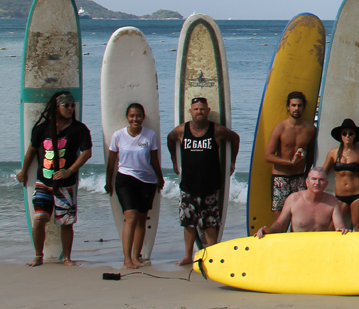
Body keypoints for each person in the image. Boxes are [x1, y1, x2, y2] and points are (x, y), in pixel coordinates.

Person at [16, 91, 92, 267]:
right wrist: (24, 171)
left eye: (72, 105)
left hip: (66, 184)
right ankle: (38, 256)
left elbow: (87, 153)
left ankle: (67, 258)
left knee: (66, 222)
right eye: (66, 105)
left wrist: (69, 171)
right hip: (43, 182)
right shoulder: (42, 128)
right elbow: (32, 151)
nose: (70, 108)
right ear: (56, 107)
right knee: (39, 220)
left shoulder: (79, 129)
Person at [167, 97, 240, 266]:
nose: (199, 112)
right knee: (189, 224)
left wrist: (232, 162)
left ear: (207, 111)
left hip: (209, 187)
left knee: (210, 224)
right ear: (190, 112)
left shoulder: (216, 130)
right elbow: (170, 139)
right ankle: (187, 256)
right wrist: (174, 160)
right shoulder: (181, 131)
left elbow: (235, 138)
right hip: (188, 187)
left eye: (202, 109)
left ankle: (212, 257)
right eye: (196, 109)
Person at [104, 103, 164, 269]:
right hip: (125, 180)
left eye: (138, 116)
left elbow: (154, 159)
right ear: (127, 118)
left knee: (141, 220)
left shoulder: (149, 135)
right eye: (132, 116)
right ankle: (127, 259)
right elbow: (111, 162)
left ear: (143, 117)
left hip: (147, 182)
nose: (135, 119)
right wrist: (108, 181)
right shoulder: (118, 136)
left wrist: (160, 178)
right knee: (130, 218)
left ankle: (137, 256)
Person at [262, 91, 316, 227]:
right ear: (288, 107)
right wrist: (289, 162)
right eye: (293, 105)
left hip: (299, 177)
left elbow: (310, 153)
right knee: (280, 219)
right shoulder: (280, 128)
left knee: (299, 219)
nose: (296, 109)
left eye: (299, 105)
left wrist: (307, 173)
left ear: (303, 108)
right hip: (281, 178)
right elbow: (268, 155)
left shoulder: (310, 129)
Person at [254, 168, 349, 236]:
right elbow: (280, 224)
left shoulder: (332, 201)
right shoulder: (293, 199)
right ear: (307, 182)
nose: (317, 183)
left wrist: (342, 230)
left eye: (321, 180)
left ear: (326, 184)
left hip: (319, 246)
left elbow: (339, 226)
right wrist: (268, 231)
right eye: (314, 179)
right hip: (297, 246)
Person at [321, 118, 359, 231]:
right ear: (341, 136)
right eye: (344, 133)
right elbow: (323, 172)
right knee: (332, 228)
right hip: (340, 196)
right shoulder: (333, 152)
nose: (347, 136)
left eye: (351, 133)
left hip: (358, 194)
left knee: (358, 227)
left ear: (355, 136)